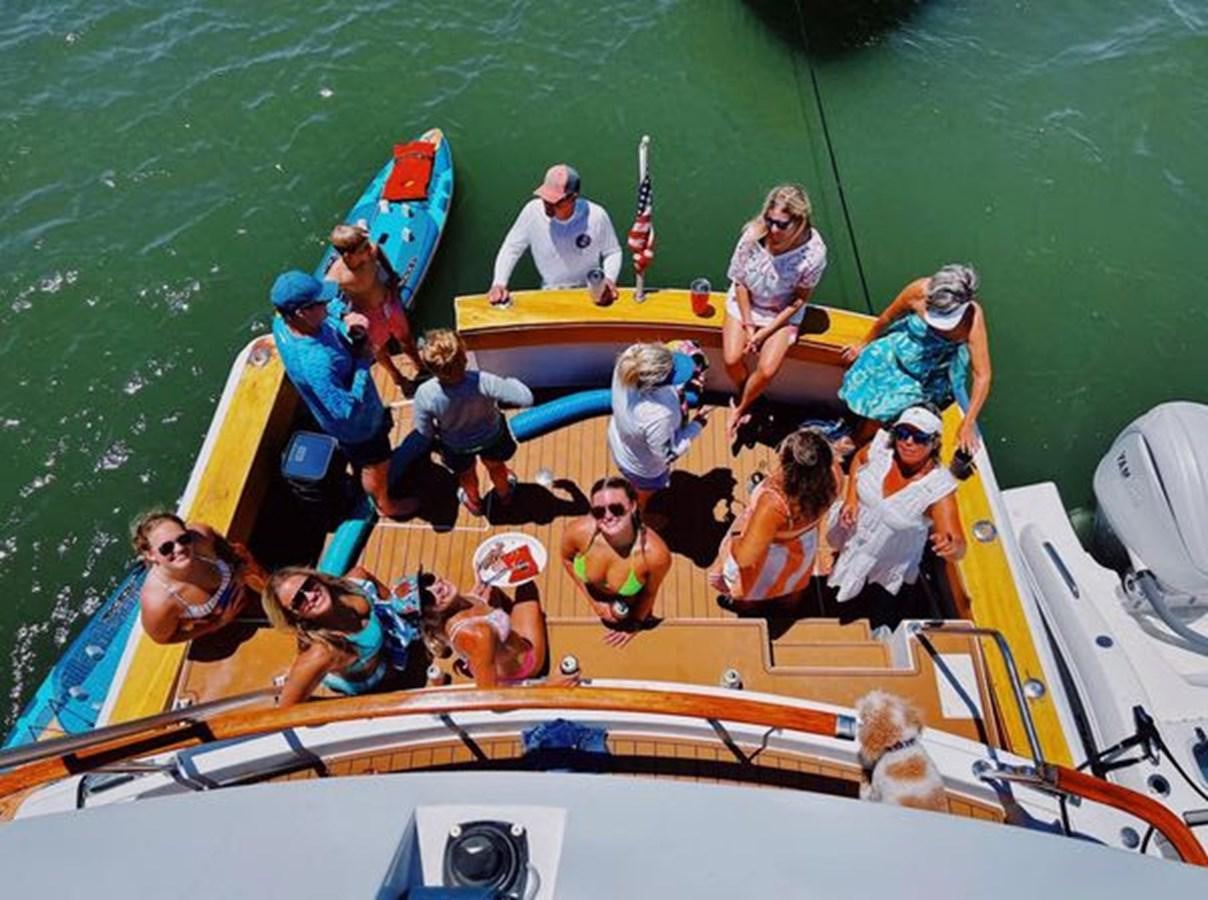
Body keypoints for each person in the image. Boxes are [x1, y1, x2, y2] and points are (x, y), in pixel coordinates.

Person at [270, 270, 413, 518]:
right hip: (359, 427)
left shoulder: (281, 322)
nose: (327, 304)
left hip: (342, 418)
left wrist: (345, 315)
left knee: (364, 456)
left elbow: (331, 306)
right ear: (302, 313)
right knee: (377, 463)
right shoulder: (315, 362)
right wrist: (362, 360)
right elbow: (345, 411)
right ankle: (385, 504)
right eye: (321, 303)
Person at [839, 264, 991, 454]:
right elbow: (888, 317)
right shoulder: (917, 290)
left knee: (890, 402)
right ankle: (857, 418)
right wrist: (863, 344)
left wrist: (968, 422)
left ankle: (858, 439)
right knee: (868, 364)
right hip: (900, 346)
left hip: (930, 371)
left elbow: (982, 375)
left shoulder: (972, 320)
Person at [826, 406, 966, 604]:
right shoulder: (881, 446)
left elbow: (959, 547)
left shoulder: (938, 488)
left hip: (886, 554)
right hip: (854, 531)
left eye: (920, 437)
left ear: (934, 442)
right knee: (844, 555)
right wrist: (851, 498)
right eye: (903, 433)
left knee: (869, 596)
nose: (908, 442)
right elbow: (858, 459)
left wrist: (953, 547)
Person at [722, 184, 828, 440]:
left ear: (800, 222)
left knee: (768, 370)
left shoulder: (813, 254)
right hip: (746, 303)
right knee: (731, 360)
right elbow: (740, 282)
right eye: (769, 220)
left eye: (782, 224)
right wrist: (749, 327)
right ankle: (748, 392)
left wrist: (766, 331)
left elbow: (799, 299)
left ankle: (743, 405)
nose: (773, 229)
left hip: (781, 312)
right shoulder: (751, 237)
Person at [710, 429, 840, 609]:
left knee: (749, 589)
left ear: (786, 463)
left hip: (771, 550)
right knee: (792, 581)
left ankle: (747, 610)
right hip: (803, 542)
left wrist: (735, 536)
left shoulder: (774, 504)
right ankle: (788, 608)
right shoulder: (834, 476)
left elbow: (744, 559)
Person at [412, 329, 533, 516]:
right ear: (465, 357)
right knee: (497, 468)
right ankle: (505, 494)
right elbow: (526, 398)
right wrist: (509, 381)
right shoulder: (484, 381)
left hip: (456, 445)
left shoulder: (425, 394)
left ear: (431, 368)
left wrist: (438, 433)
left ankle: (474, 502)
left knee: (466, 475)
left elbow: (424, 430)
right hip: (492, 437)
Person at [261, 565, 421, 706]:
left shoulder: (355, 583)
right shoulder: (323, 652)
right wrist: (341, 705)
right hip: (368, 679)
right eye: (298, 601)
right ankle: (295, 681)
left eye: (309, 585)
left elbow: (379, 591)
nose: (311, 596)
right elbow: (286, 708)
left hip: (382, 650)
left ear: (317, 578)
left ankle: (294, 679)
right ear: (294, 616)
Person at [487, 163, 622, 307]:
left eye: (555, 201)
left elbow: (612, 252)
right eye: (545, 198)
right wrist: (499, 283)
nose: (548, 205)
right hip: (550, 292)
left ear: (573, 198)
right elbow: (512, 248)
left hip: (590, 294)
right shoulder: (532, 211)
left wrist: (610, 279)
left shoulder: (596, 215)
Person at [561, 476, 671, 644]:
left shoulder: (654, 555)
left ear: (633, 506)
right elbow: (566, 559)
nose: (608, 516)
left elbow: (649, 593)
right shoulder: (577, 533)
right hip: (595, 598)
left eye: (617, 509)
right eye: (598, 511)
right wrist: (594, 603)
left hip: (630, 605)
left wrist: (634, 624)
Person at [135, 511, 266, 645]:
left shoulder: (201, 537)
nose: (179, 548)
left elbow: (235, 552)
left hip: (249, 592)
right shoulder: (157, 604)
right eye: (167, 547)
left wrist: (240, 570)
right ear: (150, 554)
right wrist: (217, 623)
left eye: (183, 539)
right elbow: (164, 638)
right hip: (222, 634)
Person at [607, 343, 710, 511]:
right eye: (673, 375)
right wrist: (698, 424)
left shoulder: (631, 356)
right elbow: (667, 455)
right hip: (642, 469)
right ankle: (638, 513)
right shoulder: (657, 416)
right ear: (653, 386)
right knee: (643, 493)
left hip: (619, 441)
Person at [325, 223, 422, 389]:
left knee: (406, 338)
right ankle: (397, 377)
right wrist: (345, 315)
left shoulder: (373, 251)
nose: (368, 250)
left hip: (389, 302)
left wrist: (393, 284)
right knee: (380, 350)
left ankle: (420, 366)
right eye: (363, 249)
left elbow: (388, 269)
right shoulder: (336, 276)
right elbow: (326, 302)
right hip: (368, 316)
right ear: (348, 256)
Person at [417, 571, 547, 687]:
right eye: (427, 598)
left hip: (488, 652)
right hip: (522, 664)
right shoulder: (478, 634)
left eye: (428, 580)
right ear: (430, 615)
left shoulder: (455, 605)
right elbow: (488, 692)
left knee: (494, 588)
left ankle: (481, 659)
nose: (437, 587)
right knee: (527, 587)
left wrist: (480, 590)